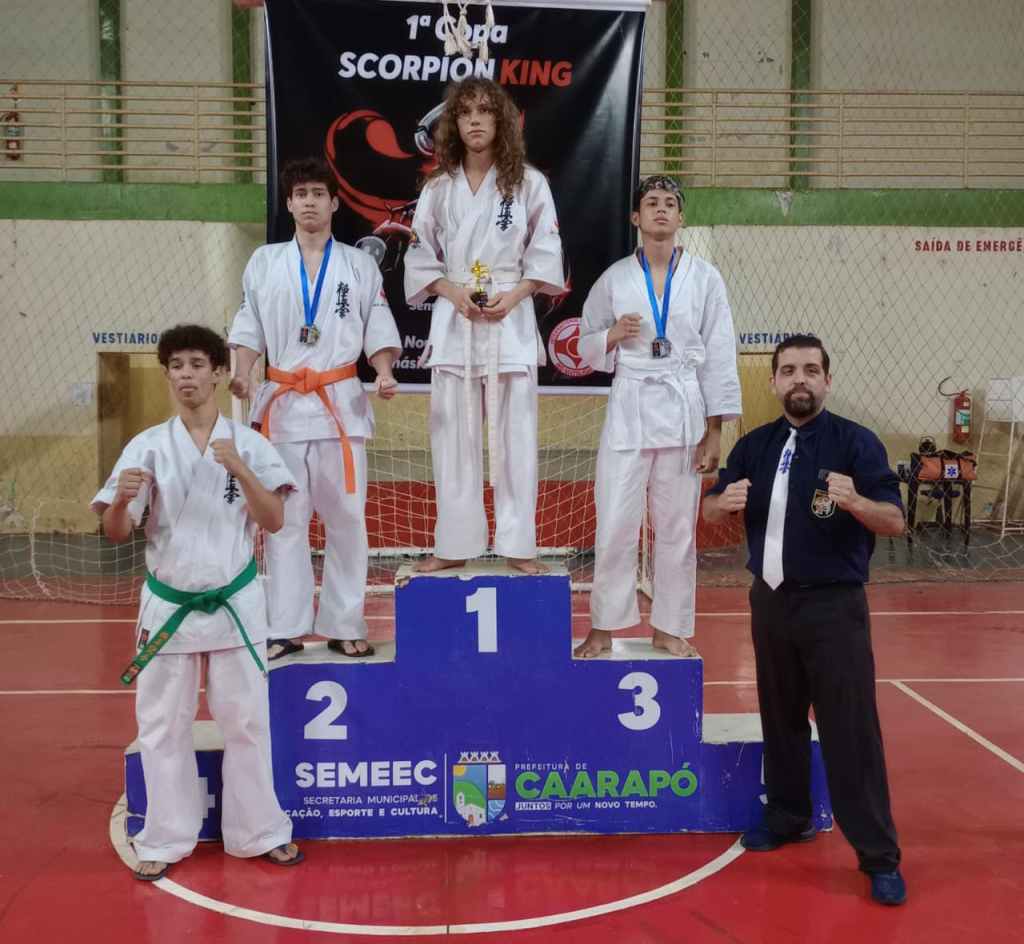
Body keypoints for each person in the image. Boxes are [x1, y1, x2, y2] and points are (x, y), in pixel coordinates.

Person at [702, 334, 907, 906]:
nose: (800, 379)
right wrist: (721, 503)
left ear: (827, 380)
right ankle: (788, 816)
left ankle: (879, 855)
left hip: (834, 606)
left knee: (850, 731)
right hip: (770, 602)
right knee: (780, 718)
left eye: (811, 370)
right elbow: (711, 508)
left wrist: (856, 502)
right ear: (773, 381)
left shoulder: (856, 443)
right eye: (789, 370)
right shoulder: (756, 445)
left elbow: (894, 520)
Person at [92, 324, 302, 880]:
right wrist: (121, 501)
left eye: (196, 364)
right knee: (162, 725)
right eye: (176, 366)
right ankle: (165, 836)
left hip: (234, 602)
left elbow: (275, 521)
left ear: (218, 372)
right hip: (170, 607)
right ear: (167, 375)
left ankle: (259, 831)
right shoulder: (147, 447)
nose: (185, 375)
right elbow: (116, 533)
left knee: (247, 722)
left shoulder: (249, 444)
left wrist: (241, 471)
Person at [229, 157, 402, 660]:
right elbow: (248, 322)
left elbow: (377, 322)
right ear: (289, 203)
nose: (309, 202)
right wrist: (242, 371)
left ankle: (344, 623)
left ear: (334, 202)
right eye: (300, 194)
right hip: (282, 409)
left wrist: (384, 371)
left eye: (318, 194)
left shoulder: (358, 264)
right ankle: (284, 627)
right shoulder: (264, 262)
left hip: (339, 406)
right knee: (285, 521)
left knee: (346, 520)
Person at [573, 176, 740, 659]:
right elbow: (582, 342)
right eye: (651, 203)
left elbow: (719, 354)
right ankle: (604, 626)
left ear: (681, 217)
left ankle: (670, 626)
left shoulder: (706, 278)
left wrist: (715, 432)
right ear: (636, 217)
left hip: (684, 408)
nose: (661, 210)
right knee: (615, 523)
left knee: (676, 528)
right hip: (630, 405)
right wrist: (611, 336)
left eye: (670, 203)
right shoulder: (615, 278)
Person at [403, 78, 565, 575]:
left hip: (509, 318)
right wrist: (452, 293)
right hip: (456, 319)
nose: (475, 120)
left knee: (517, 436)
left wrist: (514, 296)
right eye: (466, 112)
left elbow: (546, 252)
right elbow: (419, 255)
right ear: (454, 124)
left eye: (485, 111)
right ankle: (454, 543)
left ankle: (520, 544)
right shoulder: (438, 188)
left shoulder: (529, 184)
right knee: (452, 436)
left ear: (501, 121)